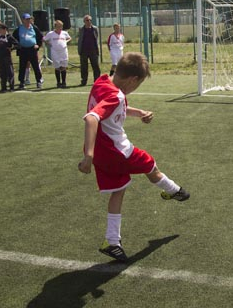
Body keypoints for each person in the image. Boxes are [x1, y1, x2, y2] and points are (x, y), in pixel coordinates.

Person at [78, 52, 190, 262]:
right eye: (138, 84)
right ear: (132, 80)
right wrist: (88, 156)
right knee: (150, 165)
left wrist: (139, 113)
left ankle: (112, 242)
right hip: (117, 152)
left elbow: (112, 108)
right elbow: (92, 118)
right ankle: (174, 191)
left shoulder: (102, 81)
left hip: (102, 154)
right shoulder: (117, 96)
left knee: (118, 190)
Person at [13, 13, 44, 90]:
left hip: (32, 49)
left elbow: (40, 37)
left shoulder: (34, 28)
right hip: (23, 50)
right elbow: (13, 38)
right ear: (23, 20)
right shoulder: (19, 29)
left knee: (35, 66)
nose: (28, 21)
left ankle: (38, 81)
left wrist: (38, 45)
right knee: (22, 67)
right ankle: (22, 82)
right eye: (26, 19)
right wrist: (17, 46)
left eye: (29, 19)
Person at [43, 20, 71, 88]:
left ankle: (64, 82)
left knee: (63, 67)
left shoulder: (64, 33)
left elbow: (69, 38)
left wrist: (66, 41)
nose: (60, 28)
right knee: (57, 67)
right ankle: (58, 82)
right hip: (55, 52)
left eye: (61, 26)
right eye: (58, 26)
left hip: (63, 52)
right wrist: (49, 44)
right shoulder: (51, 33)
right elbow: (44, 39)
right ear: (55, 27)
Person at [77, 15, 101, 86]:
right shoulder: (81, 29)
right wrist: (79, 50)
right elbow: (80, 40)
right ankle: (84, 81)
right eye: (87, 20)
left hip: (93, 50)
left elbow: (96, 38)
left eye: (90, 20)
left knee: (95, 66)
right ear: (84, 21)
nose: (89, 21)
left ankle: (97, 81)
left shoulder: (95, 29)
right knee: (84, 67)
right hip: (84, 50)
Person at [0, 23, 17, 92]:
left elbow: (17, 44)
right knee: (2, 73)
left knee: (10, 72)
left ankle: (11, 87)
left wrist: (11, 48)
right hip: (0, 57)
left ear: (5, 29)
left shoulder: (9, 37)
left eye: (0, 28)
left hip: (7, 57)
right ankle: (3, 87)